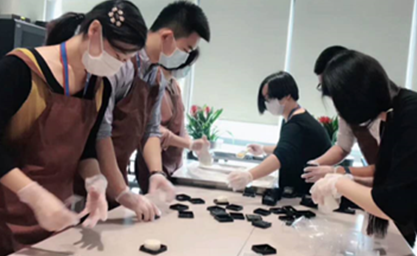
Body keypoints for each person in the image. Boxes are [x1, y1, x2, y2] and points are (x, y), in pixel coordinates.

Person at [0, 1, 147, 254]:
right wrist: (33, 194)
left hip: (57, 221)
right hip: (6, 218)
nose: (120, 66)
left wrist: (95, 181)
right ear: (94, 31)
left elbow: (87, 148)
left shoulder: (100, 87)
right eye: (118, 57)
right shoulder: (19, 70)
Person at [96, 1, 210, 221]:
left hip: (116, 178)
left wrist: (156, 173)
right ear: (167, 36)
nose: (185, 58)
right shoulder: (123, 65)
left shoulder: (156, 77)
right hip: (91, 177)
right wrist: (121, 190)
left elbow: (150, 131)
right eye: (186, 50)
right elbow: (102, 132)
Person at [310, 50, 417, 245]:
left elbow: (392, 203)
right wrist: (348, 180)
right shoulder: (392, 114)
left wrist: (339, 183)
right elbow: (387, 181)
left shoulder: (410, 115)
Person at [227, 71, 331, 196]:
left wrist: (249, 175)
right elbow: (291, 148)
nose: (267, 103)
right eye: (265, 98)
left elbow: (280, 157)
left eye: (269, 97)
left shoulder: (296, 125)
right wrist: (263, 149)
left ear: (287, 96)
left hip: (306, 194)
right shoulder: (294, 118)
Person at [302, 46, 381, 185]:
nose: (329, 95)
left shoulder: (385, 113)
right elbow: (342, 147)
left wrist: (337, 172)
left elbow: (385, 170)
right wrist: (316, 164)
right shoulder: (346, 110)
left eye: (329, 87)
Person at [155, 49, 209, 181]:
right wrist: (188, 144)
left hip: (175, 164)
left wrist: (191, 142)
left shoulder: (174, 85)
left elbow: (179, 123)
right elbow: (156, 132)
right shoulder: (155, 83)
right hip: (156, 162)